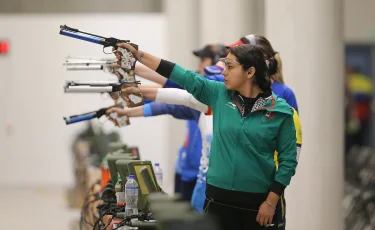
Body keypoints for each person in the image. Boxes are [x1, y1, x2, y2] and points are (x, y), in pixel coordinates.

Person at [110, 42, 298, 229]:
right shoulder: (219, 95)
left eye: (230, 67)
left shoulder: (280, 111)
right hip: (217, 200)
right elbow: (182, 76)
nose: (224, 72)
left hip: (258, 206)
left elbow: (288, 162)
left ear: (250, 72)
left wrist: (271, 202)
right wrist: (138, 55)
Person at [226, 34, 301, 230]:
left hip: (268, 188)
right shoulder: (235, 91)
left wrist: (271, 198)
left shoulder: (284, 95)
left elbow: (292, 152)